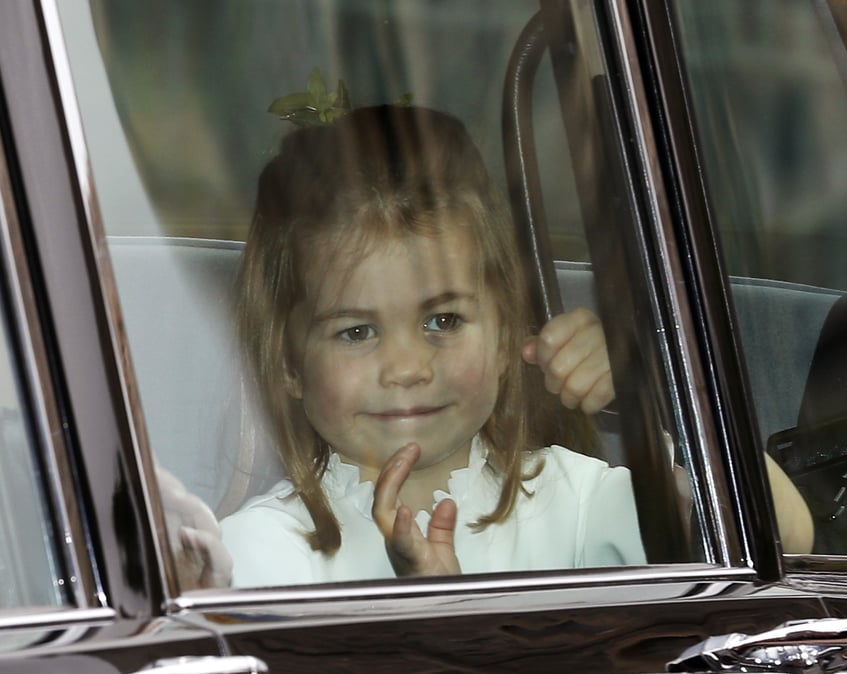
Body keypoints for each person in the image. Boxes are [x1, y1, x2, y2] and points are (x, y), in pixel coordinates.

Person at [209, 104, 811, 588]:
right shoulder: (263, 554)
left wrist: (658, 388)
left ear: (504, 337)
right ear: (287, 362)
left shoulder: (576, 505)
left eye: (442, 321)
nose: (408, 368)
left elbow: (783, 541)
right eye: (357, 332)